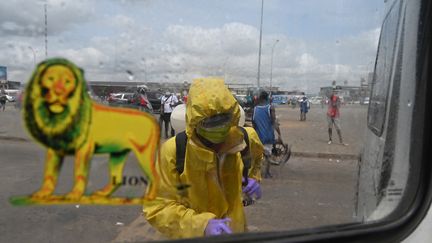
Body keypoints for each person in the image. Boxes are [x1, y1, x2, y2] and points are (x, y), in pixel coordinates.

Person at [143, 78, 264, 239]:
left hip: (235, 234)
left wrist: (252, 179)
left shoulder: (246, 139)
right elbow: (157, 207)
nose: (218, 126)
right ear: (194, 121)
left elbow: (256, 160)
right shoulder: (173, 151)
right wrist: (201, 225)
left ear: (233, 115)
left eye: (224, 119)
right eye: (209, 122)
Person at [252, 90, 283, 178]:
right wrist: (280, 134)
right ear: (267, 98)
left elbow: (253, 124)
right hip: (268, 136)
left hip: (258, 136)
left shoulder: (255, 109)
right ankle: (267, 173)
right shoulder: (270, 108)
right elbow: (274, 123)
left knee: (258, 155)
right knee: (268, 155)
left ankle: (256, 173)